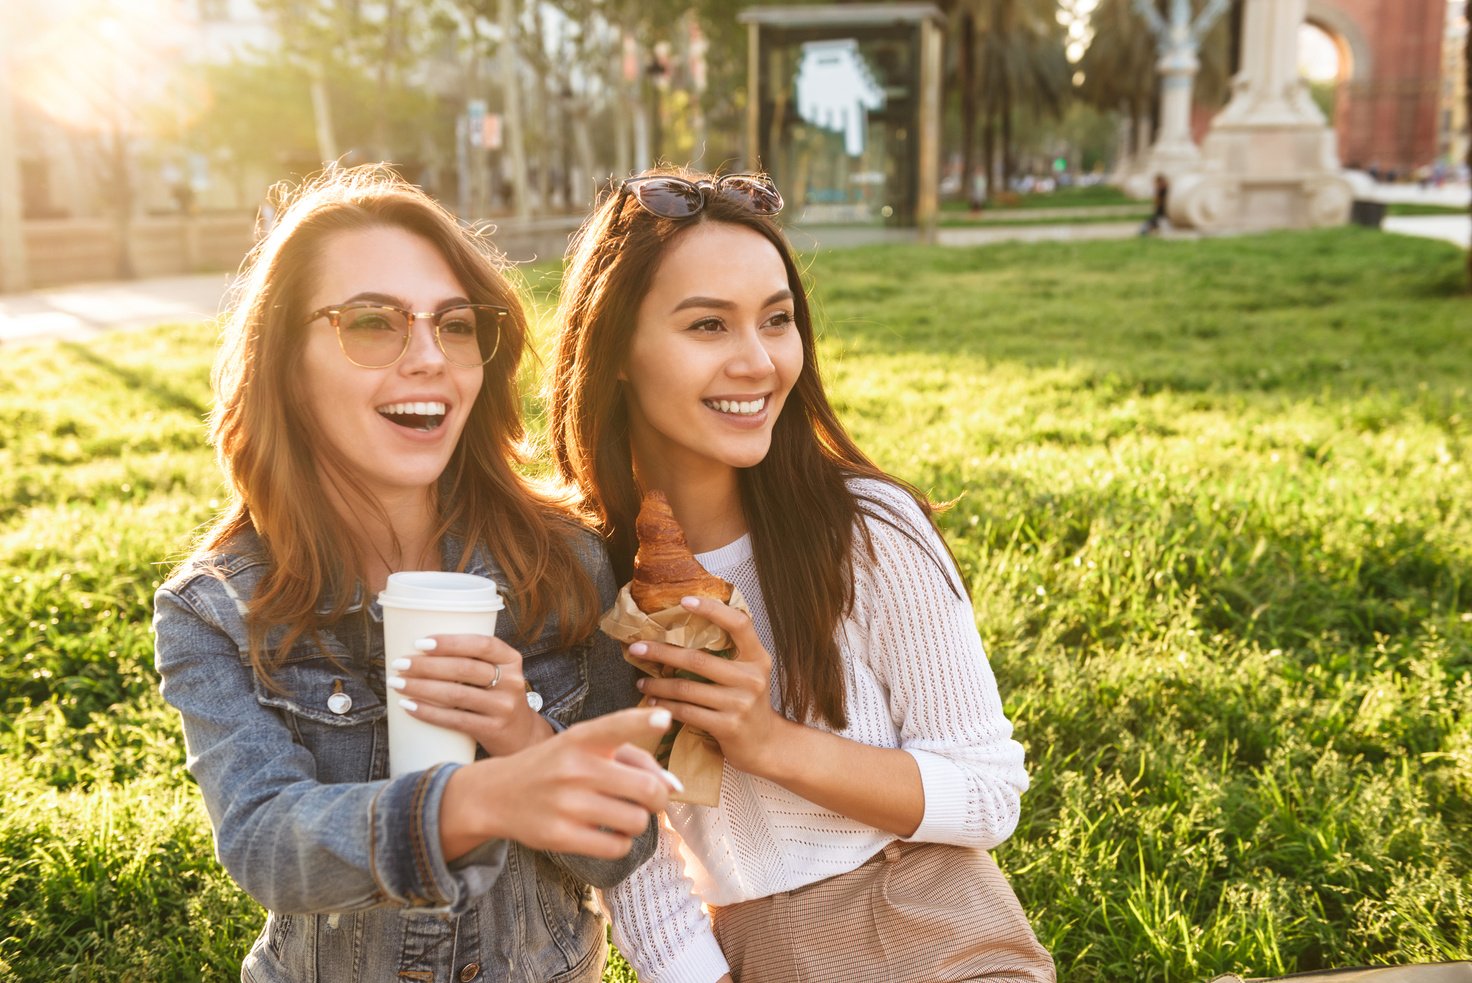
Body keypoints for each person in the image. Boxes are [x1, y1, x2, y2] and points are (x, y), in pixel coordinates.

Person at [153, 164, 675, 983]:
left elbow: (624, 848)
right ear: (285, 359)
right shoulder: (216, 607)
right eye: (373, 322)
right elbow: (265, 842)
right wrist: (480, 801)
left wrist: (519, 734)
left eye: (456, 323)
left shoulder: (567, 562)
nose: (431, 356)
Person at [548, 167, 1054, 982]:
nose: (757, 361)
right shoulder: (575, 574)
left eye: (776, 320)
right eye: (708, 325)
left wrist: (766, 739)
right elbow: (632, 861)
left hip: (928, 916)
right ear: (614, 352)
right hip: (747, 948)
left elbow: (989, 793)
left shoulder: (867, 527)